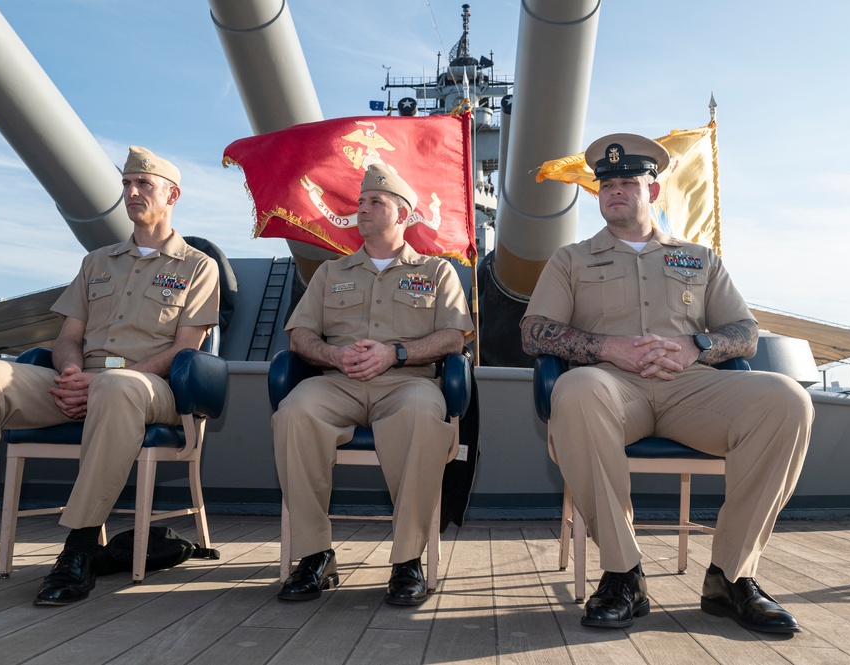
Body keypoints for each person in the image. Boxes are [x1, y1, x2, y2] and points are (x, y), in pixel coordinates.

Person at [520, 133, 813, 633]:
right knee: (575, 390)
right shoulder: (571, 259)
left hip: (690, 387)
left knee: (787, 400)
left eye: (628, 182)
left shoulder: (699, 259)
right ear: (597, 196)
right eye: (606, 183)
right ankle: (623, 573)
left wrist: (695, 346)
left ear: (652, 192)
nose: (615, 190)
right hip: (612, 386)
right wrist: (607, 348)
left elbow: (744, 333)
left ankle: (731, 578)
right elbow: (534, 331)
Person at [0, 146, 219, 616]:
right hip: (81, 381)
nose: (132, 192)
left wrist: (102, 380)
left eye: (144, 185)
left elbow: (183, 351)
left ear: (172, 194)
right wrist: (73, 371)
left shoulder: (197, 266)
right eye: (127, 185)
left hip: (147, 387)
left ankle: (80, 549)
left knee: (117, 388)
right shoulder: (97, 262)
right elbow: (68, 336)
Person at [273, 163, 473, 606]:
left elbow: (453, 337)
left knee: (424, 416)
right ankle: (314, 556)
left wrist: (396, 352)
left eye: (374, 202)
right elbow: (300, 334)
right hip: (338, 381)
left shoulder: (437, 272)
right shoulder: (330, 272)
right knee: (294, 414)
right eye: (360, 201)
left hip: (405, 382)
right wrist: (332, 355)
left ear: (401, 214)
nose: (361, 207)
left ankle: (406, 562)